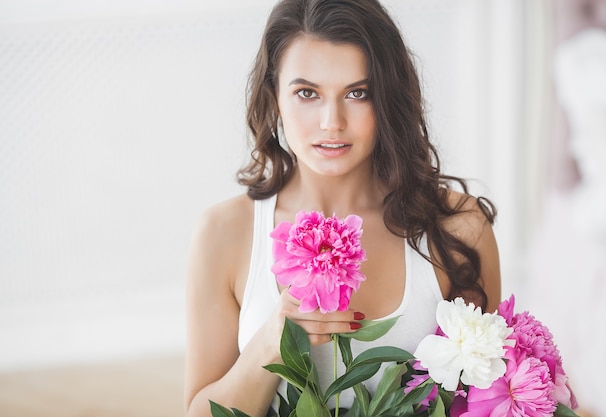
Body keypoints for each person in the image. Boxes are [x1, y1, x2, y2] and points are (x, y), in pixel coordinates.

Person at [184, 1, 501, 416]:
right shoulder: (222, 233)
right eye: (307, 93)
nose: (332, 121)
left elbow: (487, 400)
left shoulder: (458, 228)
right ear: (274, 97)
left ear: (388, 98)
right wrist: (272, 340)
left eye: (357, 93)